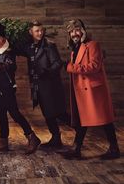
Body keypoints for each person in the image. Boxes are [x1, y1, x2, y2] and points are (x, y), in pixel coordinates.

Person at [62, 19, 120, 160]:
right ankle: (77, 148)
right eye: (71, 31)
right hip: (81, 90)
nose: (74, 33)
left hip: (94, 91)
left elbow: (94, 67)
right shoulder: (75, 49)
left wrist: (70, 67)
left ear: (83, 30)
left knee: (105, 120)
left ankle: (113, 148)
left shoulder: (93, 45)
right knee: (84, 119)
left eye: (77, 30)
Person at [0, 23, 41, 155]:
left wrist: (0, 67)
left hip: (8, 87)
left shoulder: (8, 51)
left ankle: (32, 137)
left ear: (4, 39)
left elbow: (11, 66)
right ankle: (3, 141)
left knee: (15, 114)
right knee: (1, 115)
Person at [15, 21, 67, 150]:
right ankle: (56, 138)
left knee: (58, 113)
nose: (40, 33)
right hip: (38, 87)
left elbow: (57, 63)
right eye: (37, 31)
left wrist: (46, 72)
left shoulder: (49, 46)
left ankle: (80, 130)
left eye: (41, 30)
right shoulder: (29, 46)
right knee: (47, 113)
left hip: (50, 86)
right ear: (30, 32)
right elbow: (17, 48)